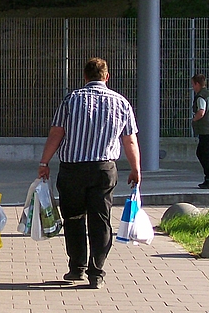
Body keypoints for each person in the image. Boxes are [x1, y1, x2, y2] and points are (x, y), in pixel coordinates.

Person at [37, 57, 141, 289]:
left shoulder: (71, 100)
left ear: (84, 77)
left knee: (73, 219)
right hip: (103, 169)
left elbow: (57, 133)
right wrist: (136, 169)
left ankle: (77, 268)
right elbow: (130, 141)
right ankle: (97, 271)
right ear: (107, 77)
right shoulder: (121, 103)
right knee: (100, 220)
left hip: (72, 169)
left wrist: (44, 162)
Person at [191, 73, 209, 189]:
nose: (193, 87)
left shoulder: (201, 97)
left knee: (207, 156)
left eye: (193, 84)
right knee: (202, 153)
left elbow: (201, 112)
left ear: (197, 84)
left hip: (207, 131)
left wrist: (194, 120)